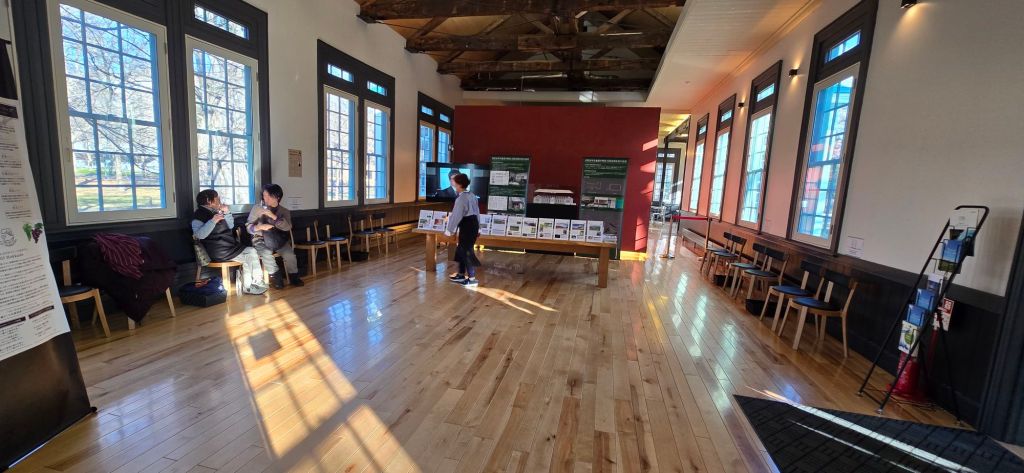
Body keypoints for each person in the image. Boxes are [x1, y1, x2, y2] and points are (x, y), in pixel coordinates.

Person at [192, 189, 267, 295]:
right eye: (217, 198)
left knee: (250, 253)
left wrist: (227, 212)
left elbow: (231, 226)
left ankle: (251, 285)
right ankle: (254, 283)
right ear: (209, 201)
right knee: (250, 253)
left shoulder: (216, 211)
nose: (219, 200)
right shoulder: (198, 215)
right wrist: (213, 221)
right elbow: (200, 235)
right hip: (217, 250)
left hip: (229, 246)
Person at [246, 184, 303, 289]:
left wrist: (273, 216)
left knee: (290, 255)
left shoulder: (284, 211)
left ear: (277, 197)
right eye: (264, 195)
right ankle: (276, 277)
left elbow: (287, 227)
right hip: (260, 239)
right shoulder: (257, 208)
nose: (265, 198)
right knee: (266, 253)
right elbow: (248, 227)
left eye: (269, 196)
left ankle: (294, 277)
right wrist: (259, 227)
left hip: (278, 239)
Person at [444, 173, 481, 287]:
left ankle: (472, 279)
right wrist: (479, 228)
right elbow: (477, 212)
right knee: (461, 249)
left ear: (459, 184)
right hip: (472, 224)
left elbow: (456, 215)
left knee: (466, 251)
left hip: (467, 226)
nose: (453, 183)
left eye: (454, 181)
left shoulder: (461, 198)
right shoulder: (472, 195)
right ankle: (461, 274)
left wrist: (449, 231)